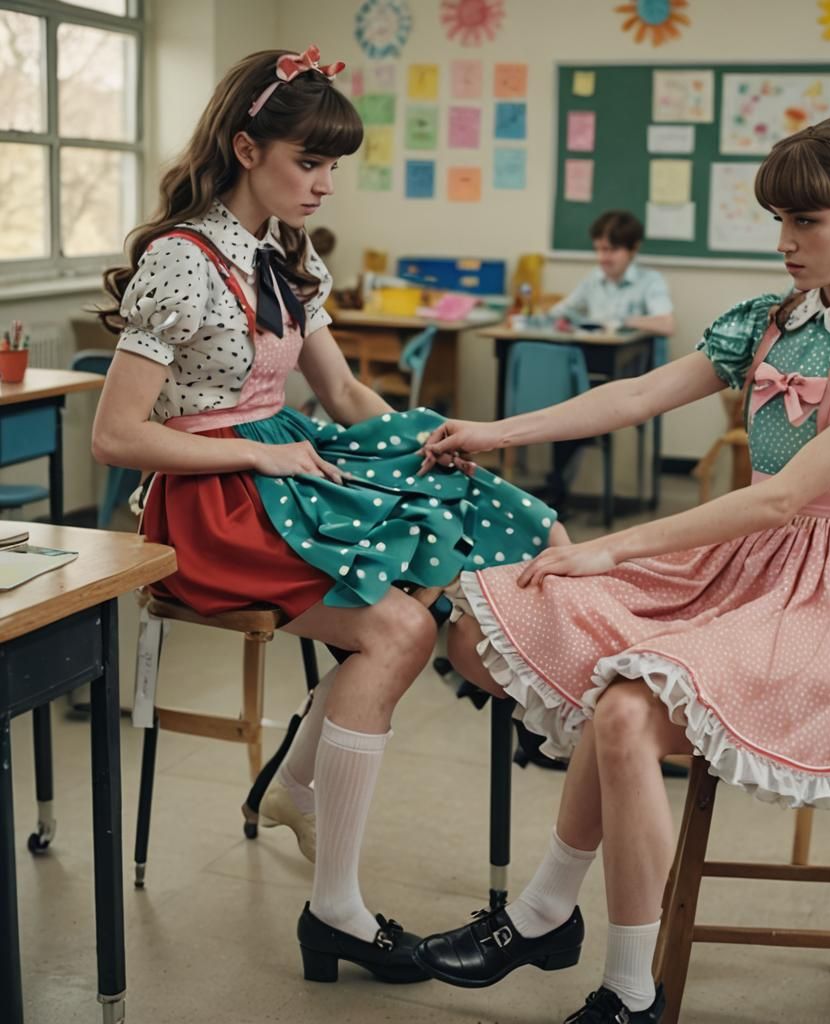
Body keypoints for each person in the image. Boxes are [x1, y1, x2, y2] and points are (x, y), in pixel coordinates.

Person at [413, 115, 830, 1023]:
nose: (785, 243)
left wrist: (610, 546)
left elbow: (781, 500)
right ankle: (554, 921)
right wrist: (494, 431)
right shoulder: (773, 319)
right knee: (506, 628)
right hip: (739, 563)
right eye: (779, 222)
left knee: (626, 705)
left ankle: (611, 974)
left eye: (806, 222)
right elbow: (638, 393)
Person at [93, 45, 563, 987]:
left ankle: (322, 776)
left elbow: (344, 394)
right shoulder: (181, 261)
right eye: (308, 162)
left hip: (286, 470)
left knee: (455, 513)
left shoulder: (287, 252)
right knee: (399, 627)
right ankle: (333, 900)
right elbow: (115, 436)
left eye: (332, 165)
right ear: (245, 149)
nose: (324, 184)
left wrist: (422, 446)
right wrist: (256, 452)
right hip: (212, 504)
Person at [543, 210, 676, 513]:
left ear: (633, 249)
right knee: (562, 400)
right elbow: (559, 311)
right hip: (591, 370)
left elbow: (667, 324)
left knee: (577, 407)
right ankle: (556, 486)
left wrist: (621, 321)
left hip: (633, 374)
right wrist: (562, 320)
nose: (603, 257)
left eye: (611, 250)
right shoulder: (594, 279)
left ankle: (557, 487)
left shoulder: (649, 281)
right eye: (599, 249)